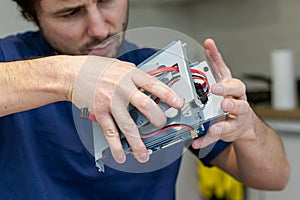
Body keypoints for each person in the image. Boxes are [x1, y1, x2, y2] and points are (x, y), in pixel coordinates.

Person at [0, 0, 290, 199]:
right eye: (70, 13)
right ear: (31, 14)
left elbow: (275, 178)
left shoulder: (160, 71)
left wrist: (248, 127)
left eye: (106, 1)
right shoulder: (9, 59)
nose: (100, 29)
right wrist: (69, 76)